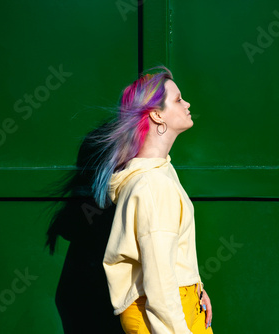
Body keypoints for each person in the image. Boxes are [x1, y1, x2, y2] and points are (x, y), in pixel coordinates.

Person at [90, 66, 213, 333]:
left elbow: (168, 258)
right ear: (157, 115)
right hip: (164, 314)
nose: (187, 103)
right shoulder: (152, 184)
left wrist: (196, 288)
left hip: (178, 303)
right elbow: (159, 280)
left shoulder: (159, 170)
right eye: (178, 99)